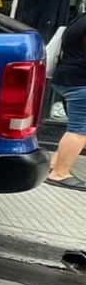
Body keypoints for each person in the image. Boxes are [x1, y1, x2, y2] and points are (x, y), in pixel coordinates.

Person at [48, 13, 86, 191]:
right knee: (79, 130)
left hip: (67, 77)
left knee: (77, 128)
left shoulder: (81, 18)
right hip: (80, 81)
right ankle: (59, 173)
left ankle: (55, 163)